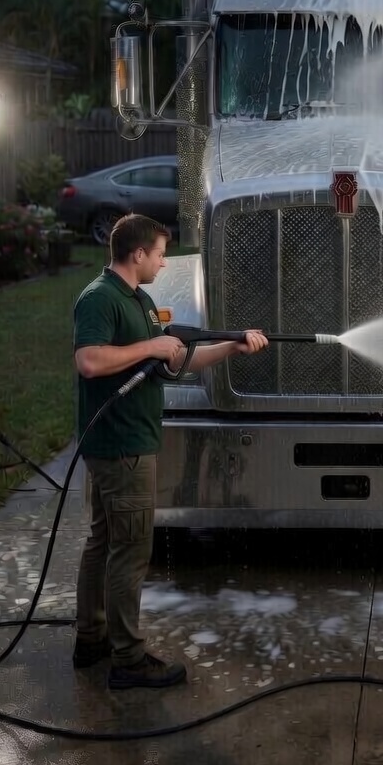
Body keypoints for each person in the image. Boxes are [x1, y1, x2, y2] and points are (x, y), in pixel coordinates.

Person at [72, 213, 268, 689]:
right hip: (122, 448)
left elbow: (175, 358)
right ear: (137, 253)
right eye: (159, 253)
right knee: (129, 551)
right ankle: (128, 659)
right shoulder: (100, 298)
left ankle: (92, 638)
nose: (163, 262)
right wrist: (150, 347)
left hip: (123, 443)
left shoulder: (137, 299)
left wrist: (230, 346)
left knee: (103, 541)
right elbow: (90, 361)